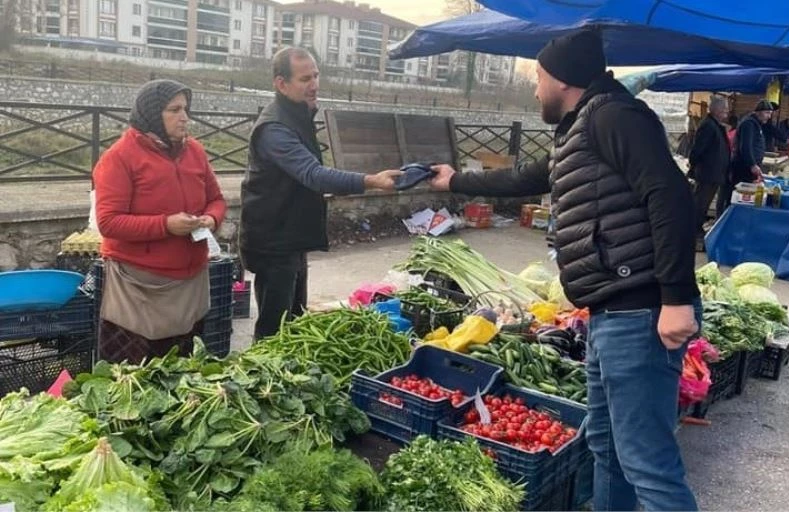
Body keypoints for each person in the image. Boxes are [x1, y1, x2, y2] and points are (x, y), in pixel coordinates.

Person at [428, 30, 700, 511]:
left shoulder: (616, 117)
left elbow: (670, 196)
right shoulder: (578, 130)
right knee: (607, 448)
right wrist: (456, 180)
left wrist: (676, 298)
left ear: (562, 80)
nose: (535, 89)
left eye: (538, 78)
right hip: (609, 314)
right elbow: (523, 178)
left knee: (646, 462)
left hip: (639, 309)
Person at [239, 47, 400, 340]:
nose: (314, 84)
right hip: (273, 241)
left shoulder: (297, 114)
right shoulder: (275, 127)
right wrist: (371, 181)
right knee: (274, 331)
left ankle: (291, 381)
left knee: (296, 322)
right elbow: (313, 174)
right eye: (304, 79)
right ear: (281, 83)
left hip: (291, 237)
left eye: (316, 75)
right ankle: (264, 383)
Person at [93, 79, 227, 363]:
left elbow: (216, 199)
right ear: (152, 114)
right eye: (174, 110)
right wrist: (166, 225)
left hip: (191, 282)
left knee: (185, 369)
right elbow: (109, 222)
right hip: (140, 287)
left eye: (185, 109)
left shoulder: (195, 152)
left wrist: (211, 219)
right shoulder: (119, 158)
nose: (184, 117)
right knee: (136, 374)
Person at [688, 96, 731, 245]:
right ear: (716, 110)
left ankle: (696, 230)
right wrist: (694, 166)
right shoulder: (708, 126)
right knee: (699, 205)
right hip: (707, 174)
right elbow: (697, 150)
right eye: (725, 110)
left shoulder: (716, 125)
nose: (727, 112)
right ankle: (693, 233)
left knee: (703, 205)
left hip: (714, 174)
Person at [729, 100, 773, 192]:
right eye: (767, 113)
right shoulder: (749, 124)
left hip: (750, 167)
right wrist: (752, 164)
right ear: (758, 112)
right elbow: (746, 146)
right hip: (743, 167)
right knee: (738, 192)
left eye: (770, 113)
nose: (769, 116)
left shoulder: (757, 124)